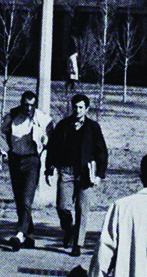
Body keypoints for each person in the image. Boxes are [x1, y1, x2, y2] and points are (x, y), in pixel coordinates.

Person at [45, 93, 108, 256]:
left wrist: (100, 174)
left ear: (86, 109)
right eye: (75, 107)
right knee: (62, 207)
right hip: (66, 171)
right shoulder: (63, 125)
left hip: (86, 173)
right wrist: (49, 168)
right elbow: (52, 148)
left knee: (82, 209)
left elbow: (102, 152)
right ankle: (69, 228)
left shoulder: (93, 127)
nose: (77, 110)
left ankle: (77, 245)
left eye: (81, 107)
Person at [0, 90, 54, 251]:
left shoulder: (41, 118)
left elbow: (51, 134)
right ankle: (30, 233)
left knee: (27, 199)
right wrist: (3, 152)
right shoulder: (12, 116)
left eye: (31, 105)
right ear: (21, 104)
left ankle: (20, 234)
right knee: (20, 199)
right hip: (15, 161)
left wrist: (46, 143)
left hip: (32, 161)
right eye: (26, 105)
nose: (28, 108)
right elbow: (0, 135)